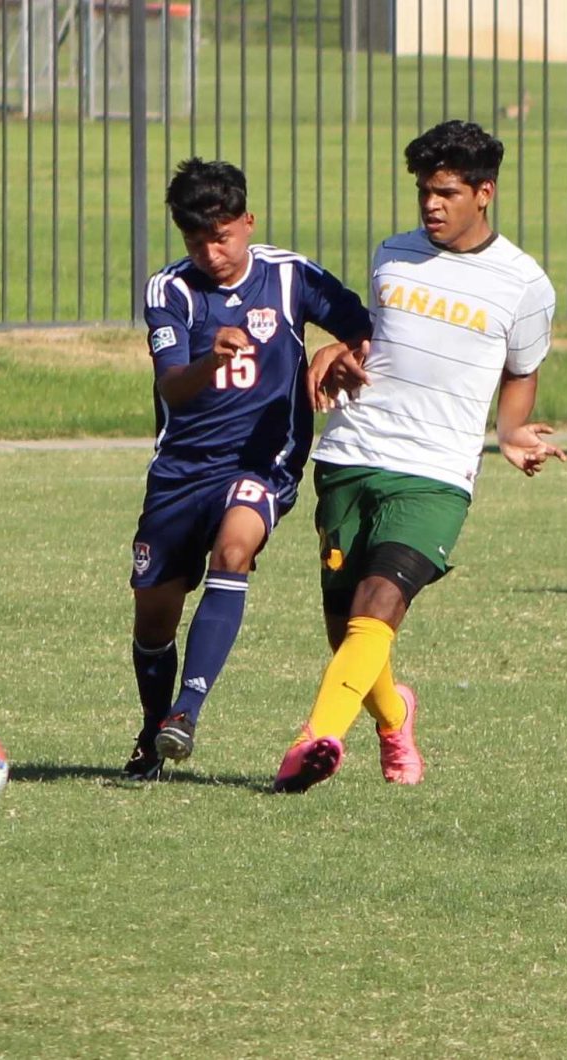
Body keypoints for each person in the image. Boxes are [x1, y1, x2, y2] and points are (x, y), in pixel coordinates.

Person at [273, 119, 566, 794]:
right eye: (423, 193)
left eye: (445, 192)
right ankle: (393, 714)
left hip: (435, 474)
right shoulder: (392, 255)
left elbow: (521, 370)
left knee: (379, 606)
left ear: (483, 193)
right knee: (346, 626)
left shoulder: (523, 283)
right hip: (351, 452)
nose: (430, 205)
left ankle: (314, 738)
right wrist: (335, 353)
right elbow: (376, 341)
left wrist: (513, 430)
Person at [123, 157, 372, 780]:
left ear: (247, 221)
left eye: (222, 235)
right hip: (182, 470)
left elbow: (368, 327)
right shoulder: (170, 291)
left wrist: (336, 349)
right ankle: (154, 734)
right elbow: (174, 389)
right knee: (154, 614)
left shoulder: (290, 277)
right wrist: (213, 357)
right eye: (196, 239)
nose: (211, 251)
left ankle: (186, 712)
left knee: (234, 550)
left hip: (263, 463)